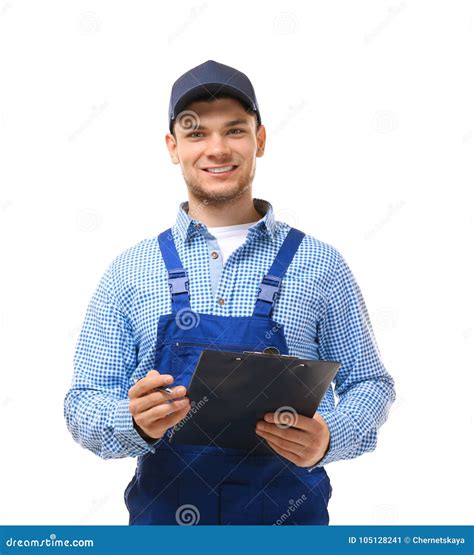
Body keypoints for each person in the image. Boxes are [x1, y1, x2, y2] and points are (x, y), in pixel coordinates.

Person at [64, 60, 396, 526]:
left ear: (260, 139)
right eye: (196, 132)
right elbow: (84, 403)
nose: (216, 149)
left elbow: (370, 385)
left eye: (234, 130)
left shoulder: (321, 264)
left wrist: (329, 437)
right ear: (172, 147)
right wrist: (132, 422)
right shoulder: (130, 271)